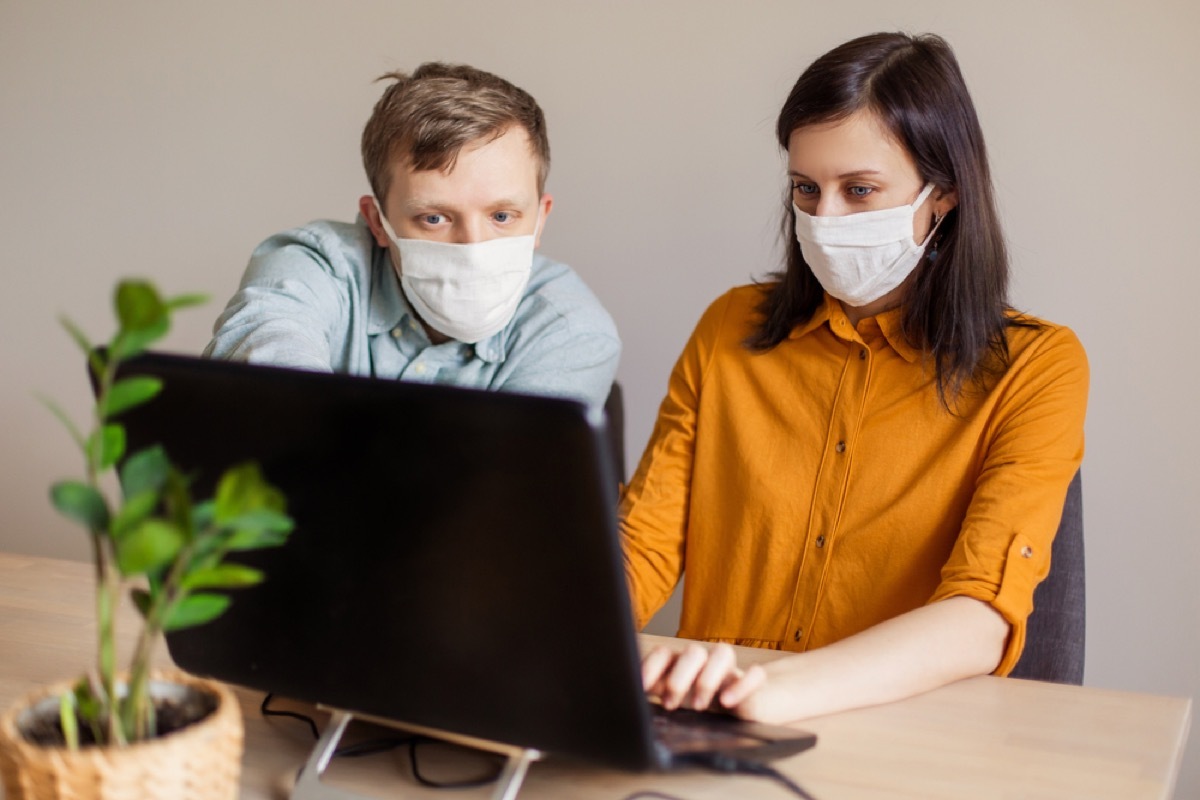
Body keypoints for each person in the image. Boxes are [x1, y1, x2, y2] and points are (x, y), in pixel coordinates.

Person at [621, 32, 1088, 723]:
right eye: (806, 189)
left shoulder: (1037, 367)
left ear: (945, 194)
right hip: (714, 727)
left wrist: (768, 693)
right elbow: (642, 545)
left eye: (859, 190)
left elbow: (980, 613)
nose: (823, 219)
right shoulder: (728, 328)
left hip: (898, 736)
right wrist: (561, 638)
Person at [205, 63, 619, 408]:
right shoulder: (316, 264)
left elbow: (504, 488)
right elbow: (265, 359)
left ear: (540, 219)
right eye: (434, 218)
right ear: (378, 221)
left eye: (502, 216)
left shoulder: (572, 331)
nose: (473, 247)